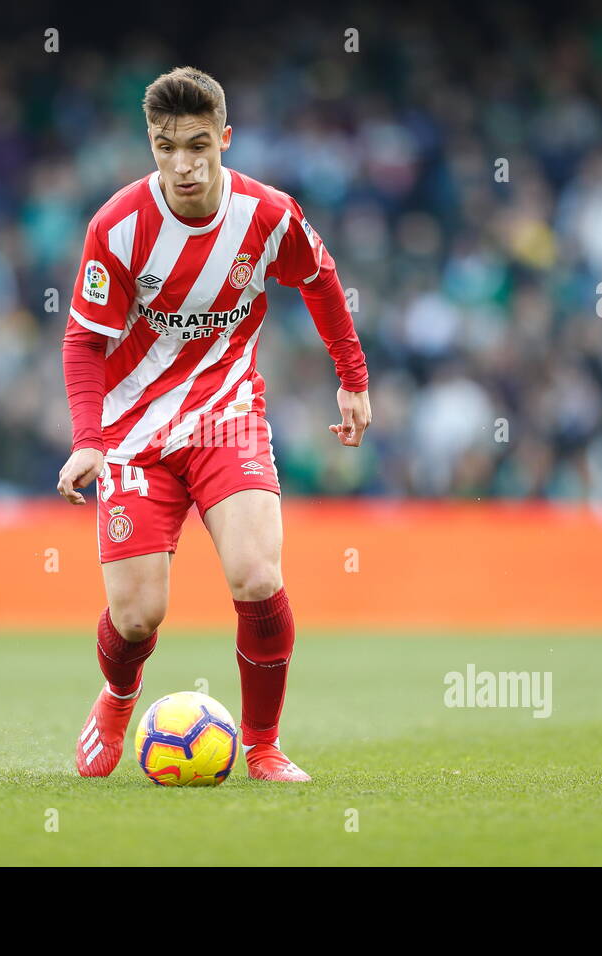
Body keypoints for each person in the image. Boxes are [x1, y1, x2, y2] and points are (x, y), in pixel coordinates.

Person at [57, 66, 371, 782]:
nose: (183, 164)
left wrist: (351, 380)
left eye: (199, 145)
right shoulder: (117, 225)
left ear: (224, 139)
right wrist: (88, 441)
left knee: (257, 576)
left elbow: (320, 278)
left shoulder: (266, 215)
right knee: (138, 618)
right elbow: (83, 341)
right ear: (151, 145)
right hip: (134, 434)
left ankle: (262, 746)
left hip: (228, 419)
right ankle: (118, 695)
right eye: (166, 147)